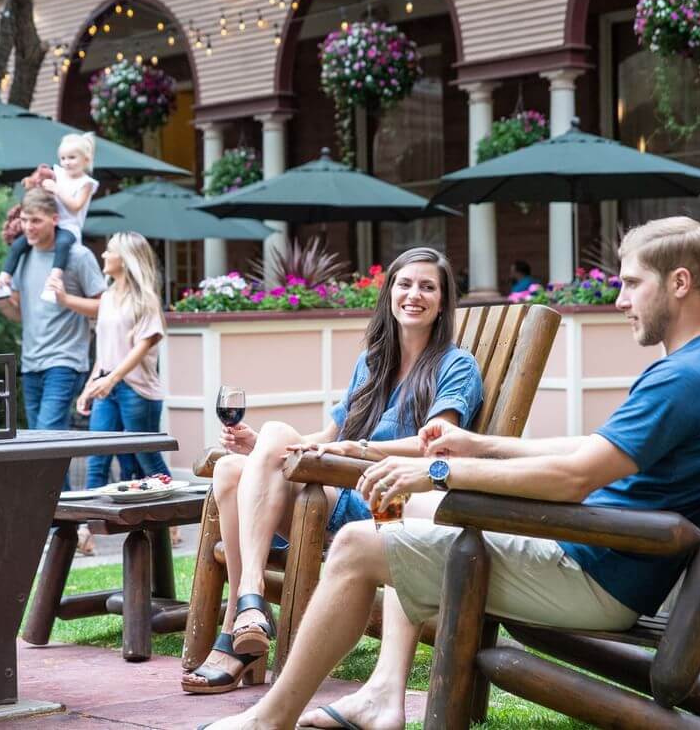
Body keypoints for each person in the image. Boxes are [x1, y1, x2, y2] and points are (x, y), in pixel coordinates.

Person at [201, 216, 700, 730]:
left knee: (358, 545)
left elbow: (575, 477)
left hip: (593, 571)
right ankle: (382, 692)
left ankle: (271, 719)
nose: (620, 300)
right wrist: (479, 445)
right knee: (415, 510)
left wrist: (438, 471)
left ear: (679, 283)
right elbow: (589, 448)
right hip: (600, 555)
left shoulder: (682, 379)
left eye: (633, 284)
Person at [181, 247, 483, 695]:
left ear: (442, 303)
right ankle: (248, 613)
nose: (414, 294)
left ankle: (244, 612)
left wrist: (356, 448)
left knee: (271, 439)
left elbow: (437, 443)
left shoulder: (457, 366)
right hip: (337, 491)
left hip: (384, 502)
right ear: (390, 293)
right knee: (230, 468)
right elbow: (326, 436)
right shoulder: (373, 362)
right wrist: (260, 447)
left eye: (427, 287)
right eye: (404, 284)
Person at [0, 188, 107, 486]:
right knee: (43, 445)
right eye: (25, 220)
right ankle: (61, 510)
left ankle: (55, 511)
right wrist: (1, 300)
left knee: (43, 441)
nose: (29, 227)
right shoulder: (23, 257)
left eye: (36, 221)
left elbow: (104, 306)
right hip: (31, 363)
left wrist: (66, 300)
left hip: (65, 361)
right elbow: (20, 314)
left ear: (54, 219)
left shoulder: (78, 256)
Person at [64, 232, 175, 554]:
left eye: (109, 251)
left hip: (137, 390)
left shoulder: (145, 300)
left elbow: (143, 346)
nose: (103, 256)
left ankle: (172, 519)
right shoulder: (109, 296)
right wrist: (91, 385)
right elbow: (105, 350)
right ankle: (86, 531)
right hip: (108, 385)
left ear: (124, 259)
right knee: (97, 457)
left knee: (146, 457)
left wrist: (112, 379)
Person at [0, 133, 99, 304]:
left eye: (72, 158)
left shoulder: (86, 183)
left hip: (68, 226)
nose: (66, 162)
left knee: (62, 244)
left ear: (86, 159)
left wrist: (57, 189)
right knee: (18, 245)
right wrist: (31, 182)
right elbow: (40, 179)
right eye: (63, 158)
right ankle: (3, 281)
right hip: (50, 223)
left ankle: (53, 283)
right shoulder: (58, 173)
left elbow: (76, 206)